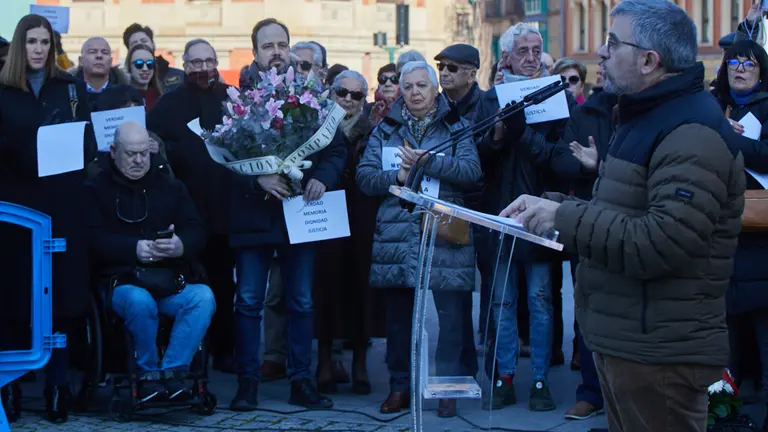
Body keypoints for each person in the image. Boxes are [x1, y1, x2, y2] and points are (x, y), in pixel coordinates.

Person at [500, 1, 745, 430]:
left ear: (649, 60)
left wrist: (563, 216)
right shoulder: (645, 115)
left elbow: (660, 241)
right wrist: (553, 205)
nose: (600, 51)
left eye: (613, 43)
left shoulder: (691, 132)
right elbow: (621, 209)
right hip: (628, 345)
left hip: (659, 353)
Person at [228, 17, 346, 412]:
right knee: (248, 301)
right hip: (253, 217)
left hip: (300, 214)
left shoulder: (310, 94)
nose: (276, 52)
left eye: (282, 44)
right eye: (268, 46)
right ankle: (247, 384)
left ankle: (302, 382)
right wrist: (256, 179)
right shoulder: (237, 98)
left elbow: (336, 150)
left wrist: (323, 179)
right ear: (255, 52)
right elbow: (221, 161)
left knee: (302, 301)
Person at [357, 61, 481, 418]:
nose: (414, 92)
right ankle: (400, 386)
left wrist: (430, 162)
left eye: (421, 85)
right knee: (399, 318)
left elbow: (472, 172)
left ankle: (447, 386)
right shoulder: (386, 129)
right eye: (408, 86)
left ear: (434, 89)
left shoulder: (456, 125)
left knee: (451, 316)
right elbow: (365, 177)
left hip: (446, 228)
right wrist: (398, 175)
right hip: (398, 232)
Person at [0, 14, 96, 424]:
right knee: (12, 297)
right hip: (15, 209)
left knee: (58, 297)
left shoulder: (70, 88)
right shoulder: (3, 91)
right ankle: (9, 386)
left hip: (62, 207)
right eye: (31, 42)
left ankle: (58, 385)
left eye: (44, 42)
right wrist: (30, 147)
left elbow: (89, 143)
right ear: (19, 46)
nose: (38, 49)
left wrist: (65, 143)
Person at [475, 22, 575, 412]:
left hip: (539, 212)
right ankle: (504, 377)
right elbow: (476, 159)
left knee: (540, 299)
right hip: (498, 212)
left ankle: (539, 380)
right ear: (506, 57)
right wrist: (497, 136)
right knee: (502, 301)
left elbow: (558, 159)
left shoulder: (555, 97)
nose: (532, 58)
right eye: (523, 51)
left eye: (537, 49)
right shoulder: (490, 99)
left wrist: (520, 133)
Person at [84, 121, 214, 402]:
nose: (139, 160)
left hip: (167, 280)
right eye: (131, 154)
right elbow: (90, 239)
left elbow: (196, 230)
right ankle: (148, 376)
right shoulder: (95, 189)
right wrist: (133, 249)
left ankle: (173, 373)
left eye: (144, 153)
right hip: (119, 280)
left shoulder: (170, 187)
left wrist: (180, 246)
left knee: (203, 298)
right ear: (113, 152)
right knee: (140, 301)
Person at [147, 39, 237, 374]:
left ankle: (224, 350)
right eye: (195, 63)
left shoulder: (232, 98)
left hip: (226, 210)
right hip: (186, 213)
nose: (202, 68)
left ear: (216, 63)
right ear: (185, 66)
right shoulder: (169, 103)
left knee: (225, 284)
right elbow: (151, 141)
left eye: (208, 61)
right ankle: (190, 351)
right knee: (187, 285)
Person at [313, 70, 377, 395]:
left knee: (361, 289)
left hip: (362, 217)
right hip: (326, 214)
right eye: (343, 92)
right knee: (325, 287)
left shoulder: (373, 130)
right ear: (332, 93)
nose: (349, 100)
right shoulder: (317, 127)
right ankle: (325, 359)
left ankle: (360, 363)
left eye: (356, 95)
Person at [713, 39, 768, 408]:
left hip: (760, 230)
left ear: (761, 72)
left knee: (762, 319)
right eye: (734, 63)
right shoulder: (713, 105)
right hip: (719, 226)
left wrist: (732, 140)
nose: (740, 70)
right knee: (725, 323)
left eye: (749, 64)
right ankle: (727, 404)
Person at [122, 23, 184, 92]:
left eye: (144, 41)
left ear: (153, 44)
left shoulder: (179, 76)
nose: (140, 45)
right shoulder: (121, 81)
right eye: (134, 43)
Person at [125, 43, 163, 111]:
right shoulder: (119, 97)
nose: (145, 69)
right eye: (139, 63)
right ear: (129, 66)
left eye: (149, 64)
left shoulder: (161, 98)